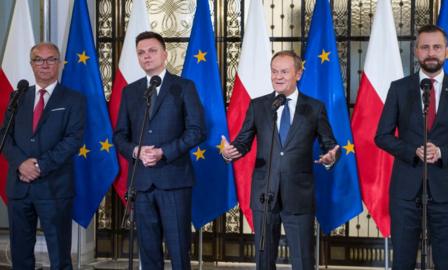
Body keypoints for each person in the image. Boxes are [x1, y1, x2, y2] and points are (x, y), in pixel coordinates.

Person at [223, 50, 340, 270]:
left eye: (284, 72)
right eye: (274, 71)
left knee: (303, 259)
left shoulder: (314, 108)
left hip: (299, 194)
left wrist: (329, 157)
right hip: (264, 193)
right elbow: (243, 142)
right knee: (264, 259)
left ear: (298, 73)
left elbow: (329, 143)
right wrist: (230, 152)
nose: (278, 76)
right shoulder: (259, 106)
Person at [375, 25, 448, 270]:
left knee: (446, 260)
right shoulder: (399, 89)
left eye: (436, 47)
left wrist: (443, 152)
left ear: (446, 51)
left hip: (447, 191)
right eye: (425, 47)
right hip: (406, 190)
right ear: (416, 51)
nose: (431, 52)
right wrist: (413, 151)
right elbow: (382, 136)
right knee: (403, 261)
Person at [113, 31, 206, 270]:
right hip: (141, 183)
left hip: (174, 180)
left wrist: (164, 152)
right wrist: (135, 151)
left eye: (152, 51)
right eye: (141, 53)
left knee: (178, 250)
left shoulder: (184, 87)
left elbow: (196, 131)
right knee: (148, 252)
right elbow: (120, 136)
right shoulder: (131, 91)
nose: (147, 56)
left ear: (165, 54)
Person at [0, 43, 85, 269]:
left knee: (59, 258)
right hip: (20, 188)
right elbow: (4, 137)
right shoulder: (18, 96)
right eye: (39, 59)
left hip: (54, 188)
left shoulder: (74, 99)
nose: (44, 64)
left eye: (50, 59)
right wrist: (20, 164)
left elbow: (72, 140)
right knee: (20, 257)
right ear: (31, 64)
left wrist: (39, 166)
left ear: (59, 63)